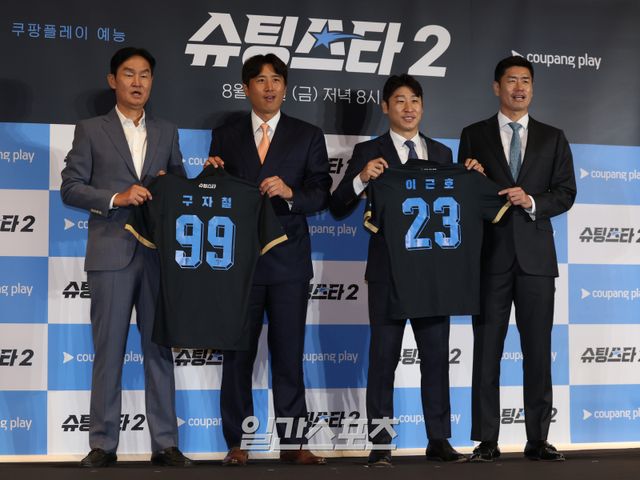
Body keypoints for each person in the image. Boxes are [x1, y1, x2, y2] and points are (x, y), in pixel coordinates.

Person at [330, 74, 482, 467]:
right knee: (383, 360)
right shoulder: (368, 151)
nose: (408, 107)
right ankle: (381, 443)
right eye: (399, 100)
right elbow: (338, 206)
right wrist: (361, 178)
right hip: (388, 274)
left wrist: (475, 177)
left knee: (436, 358)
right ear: (385, 107)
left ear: (423, 106)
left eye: (414, 99)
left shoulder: (443, 153)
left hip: (434, 273)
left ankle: (439, 439)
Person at [61, 47, 191, 468]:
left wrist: (190, 180)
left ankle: (166, 444)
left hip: (157, 256)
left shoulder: (167, 131)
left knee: (160, 351)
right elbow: (70, 187)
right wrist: (116, 197)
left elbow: (180, 189)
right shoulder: (90, 130)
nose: (138, 82)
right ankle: (103, 443)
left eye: (145, 74)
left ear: (152, 82)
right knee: (108, 351)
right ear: (112, 80)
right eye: (129, 74)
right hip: (111, 253)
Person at [206, 53, 331, 466]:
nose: (270, 86)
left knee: (289, 356)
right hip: (238, 264)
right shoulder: (225, 135)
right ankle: (237, 443)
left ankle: (294, 443)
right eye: (260, 80)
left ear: (285, 86)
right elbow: (214, 193)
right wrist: (211, 175)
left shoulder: (307, 134)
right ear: (246, 88)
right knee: (236, 356)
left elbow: (321, 192)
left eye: (276, 79)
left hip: (288, 261)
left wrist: (291, 193)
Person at [458, 55, 576, 462]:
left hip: (536, 260)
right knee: (486, 351)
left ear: (532, 87)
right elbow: (462, 195)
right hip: (489, 256)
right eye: (511, 80)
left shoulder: (553, 137)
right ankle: (486, 440)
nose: (519, 87)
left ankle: (538, 439)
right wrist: (471, 176)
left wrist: (532, 201)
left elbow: (566, 192)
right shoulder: (473, 134)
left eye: (526, 80)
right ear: (497, 87)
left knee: (538, 352)